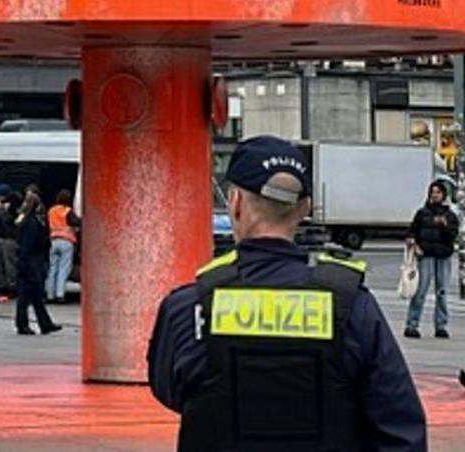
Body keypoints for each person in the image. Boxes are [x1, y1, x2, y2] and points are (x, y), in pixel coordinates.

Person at [146, 136, 427, 449]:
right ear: (304, 208)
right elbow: (399, 425)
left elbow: (168, 390)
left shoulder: (189, 305)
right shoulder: (350, 304)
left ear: (235, 201)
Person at [404, 180, 458, 341]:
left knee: (441, 291)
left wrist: (445, 225)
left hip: (443, 255)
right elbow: (412, 231)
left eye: (438, 192)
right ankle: (412, 324)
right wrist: (413, 242)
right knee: (420, 291)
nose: (435, 195)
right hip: (426, 254)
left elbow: (452, 236)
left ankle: (440, 325)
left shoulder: (450, 215)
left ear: (443, 195)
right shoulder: (422, 213)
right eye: (433, 192)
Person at [13, 191, 59, 337]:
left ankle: (44, 323)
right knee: (27, 295)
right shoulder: (32, 223)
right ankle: (24, 324)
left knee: (34, 295)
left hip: (29, 261)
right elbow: (29, 244)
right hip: (31, 262)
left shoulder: (27, 220)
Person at [46, 189, 79, 304]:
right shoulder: (68, 211)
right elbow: (76, 222)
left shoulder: (51, 211)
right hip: (66, 241)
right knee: (63, 269)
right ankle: (60, 294)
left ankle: (50, 294)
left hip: (53, 241)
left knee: (52, 269)